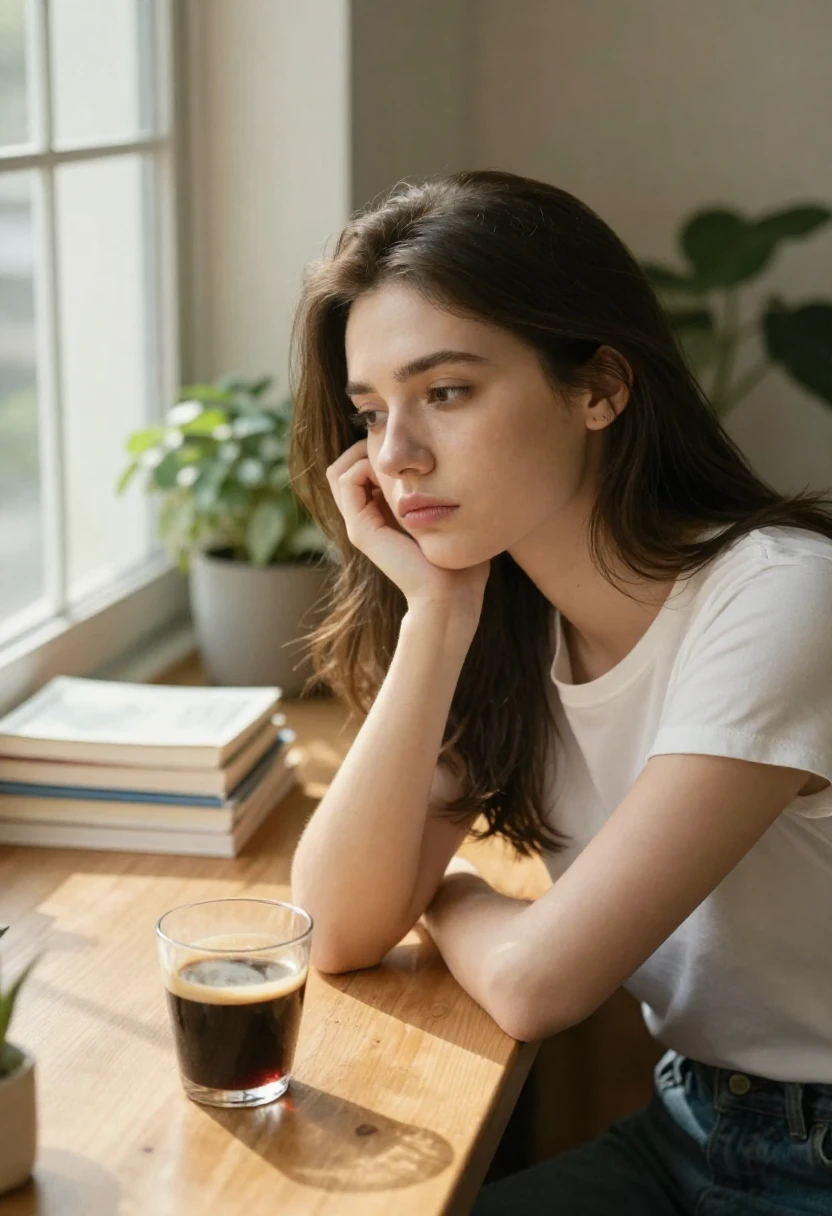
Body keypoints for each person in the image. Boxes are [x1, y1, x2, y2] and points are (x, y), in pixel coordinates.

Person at [288, 169, 832, 1213]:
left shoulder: (779, 600)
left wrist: (449, 896)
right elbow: (333, 926)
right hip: (690, 1131)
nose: (396, 457)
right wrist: (436, 613)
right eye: (370, 412)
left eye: (445, 392)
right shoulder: (501, 623)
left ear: (600, 388)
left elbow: (542, 985)